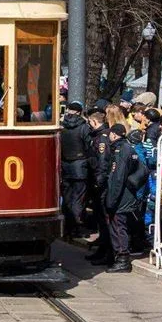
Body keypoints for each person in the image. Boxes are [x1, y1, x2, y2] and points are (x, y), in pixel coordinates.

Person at [105, 124, 139, 273]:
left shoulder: (121, 150)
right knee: (119, 226)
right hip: (124, 195)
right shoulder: (126, 147)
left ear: (113, 134)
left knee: (118, 227)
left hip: (121, 197)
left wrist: (111, 200)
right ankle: (119, 257)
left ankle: (123, 259)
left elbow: (118, 178)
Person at [60, 101, 92, 238]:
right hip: (80, 167)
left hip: (65, 165)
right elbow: (88, 146)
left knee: (67, 198)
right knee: (78, 198)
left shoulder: (61, 126)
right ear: (79, 112)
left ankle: (67, 226)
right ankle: (78, 226)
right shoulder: (84, 127)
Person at [86, 111, 112, 265]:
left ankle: (106, 252)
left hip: (100, 183)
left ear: (94, 122)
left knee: (104, 218)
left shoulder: (102, 138)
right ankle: (101, 250)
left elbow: (102, 162)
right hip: (96, 180)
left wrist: (98, 182)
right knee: (100, 218)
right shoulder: (98, 136)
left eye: (90, 122)